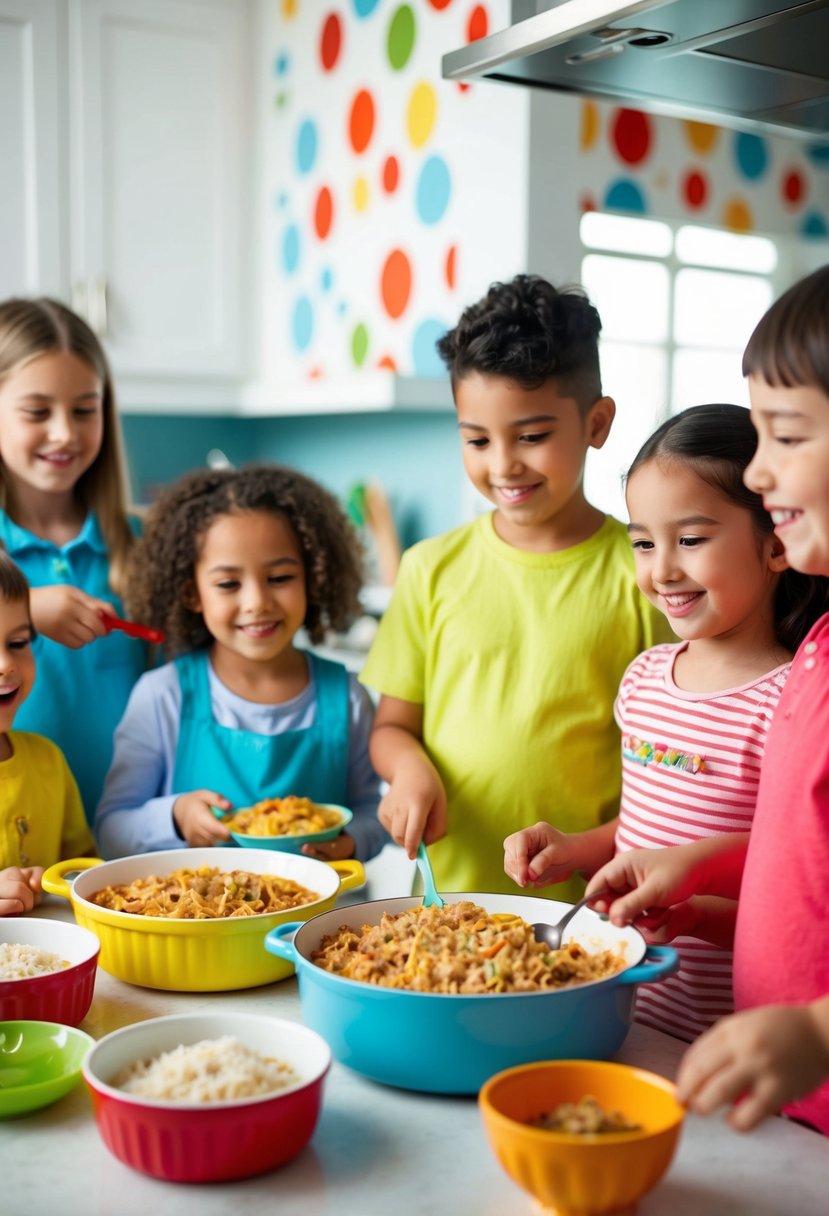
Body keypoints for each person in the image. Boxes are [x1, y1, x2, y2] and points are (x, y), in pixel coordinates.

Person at [584, 265, 829, 1136]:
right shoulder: (811, 664)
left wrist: (814, 1030)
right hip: (756, 1085)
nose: (762, 475)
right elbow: (790, 866)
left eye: (787, 437)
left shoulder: (790, 674)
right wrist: (694, 880)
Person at [504, 403, 829, 1041]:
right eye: (644, 542)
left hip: (736, 1030)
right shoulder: (647, 678)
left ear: (774, 544)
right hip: (628, 1003)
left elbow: (793, 866)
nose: (662, 569)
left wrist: (694, 890)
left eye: (691, 539)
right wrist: (577, 848)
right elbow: (646, 823)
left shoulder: (793, 697)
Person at [359, 273, 671, 898]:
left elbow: (668, 764)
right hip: (449, 904)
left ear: (597, 422)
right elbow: (392, 727)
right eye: (477, 439)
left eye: (531, 436)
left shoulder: (648, 575)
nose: (502, 464)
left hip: (592, 907)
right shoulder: (429, 570)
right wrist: (411, 771)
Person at [95, 464, 387, 863]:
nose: (257, 602)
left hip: (314, 921)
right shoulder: (163, 695)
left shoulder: (348, 698)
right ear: (192, 593)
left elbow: (373, 811)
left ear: (313, 578)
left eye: (280, 577)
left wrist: (350, 843)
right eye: (229, 584)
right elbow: (112, 831)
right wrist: (175, 817)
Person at [0, 297, 147, 823]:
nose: (64, 432)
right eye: (37, 411)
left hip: (126, 845)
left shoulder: (137, 544)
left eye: (85, 410)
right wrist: (27, 609)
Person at [0, 551, 93, 916]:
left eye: (18, 643)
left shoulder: (47, 761)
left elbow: (82, 870)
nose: (6, 664)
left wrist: (56, 881)